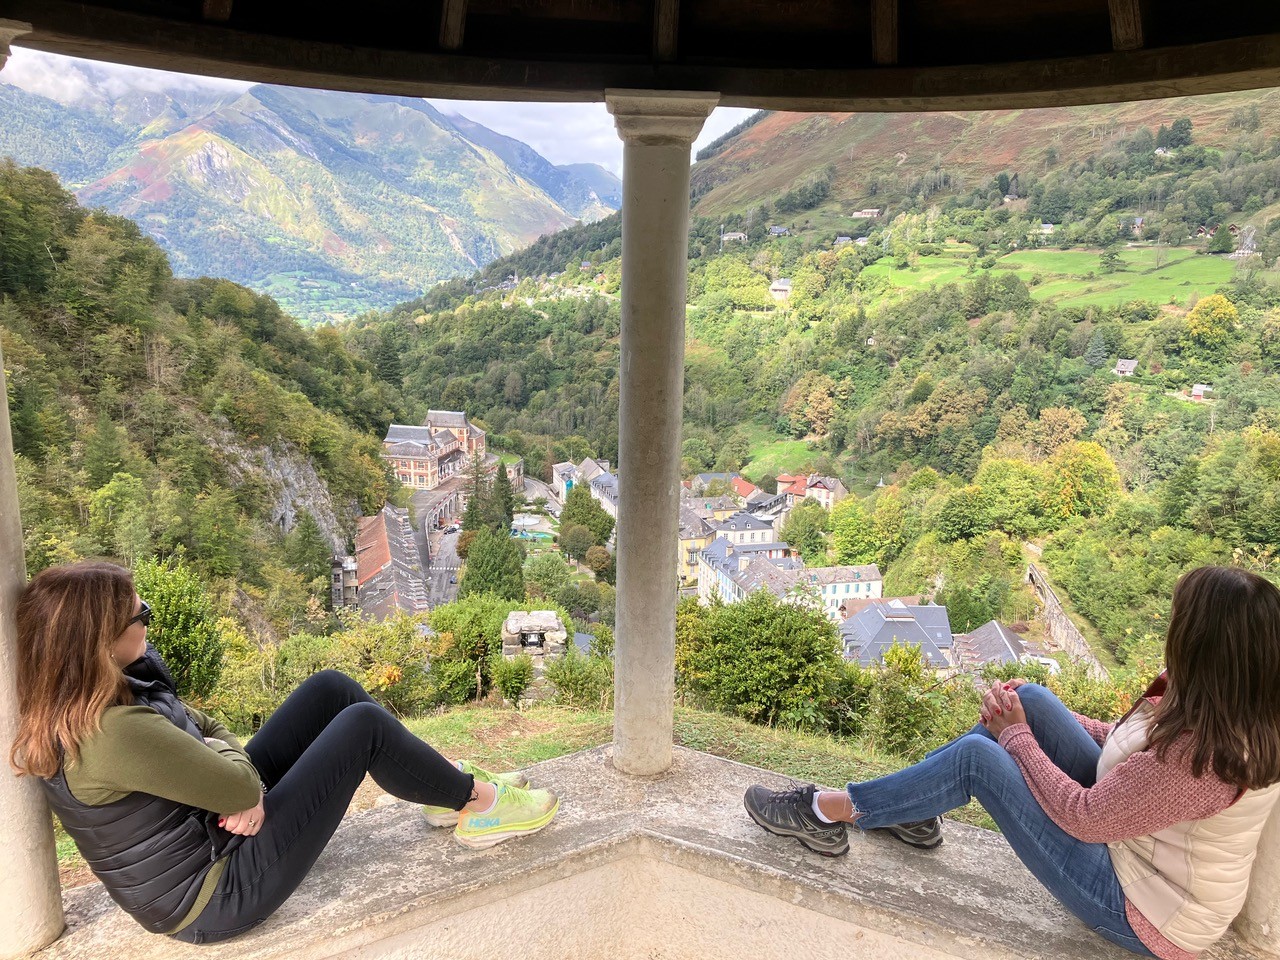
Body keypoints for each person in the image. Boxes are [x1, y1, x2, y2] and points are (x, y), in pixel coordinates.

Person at [744, 565, 1280, 959]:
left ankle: (826, 811)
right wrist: (1035, 717)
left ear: (1201, 645)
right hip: (1141, 855)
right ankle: (909, 809)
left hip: (1148, 909)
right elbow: (1128, 749)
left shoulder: (1203, 759)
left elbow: (1085, 817)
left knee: (981, 757)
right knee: (1038, 702)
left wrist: (1017, 737)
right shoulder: (1233, 707)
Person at [10, 561, 560, 944]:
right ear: (99, 640)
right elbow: (234, 780)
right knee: (363, 724)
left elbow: (202, 724)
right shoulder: (109, 732)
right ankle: (479, 804)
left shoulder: (90, 694)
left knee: (330, 689)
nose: (148, 620)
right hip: (216, 892)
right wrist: (240, 787)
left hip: (210, 827)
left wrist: (227, 770)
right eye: (140, 615)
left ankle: (439, 790)